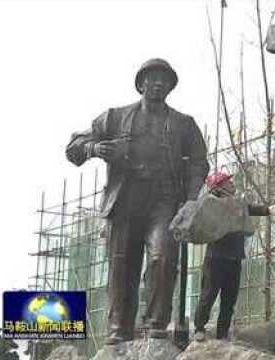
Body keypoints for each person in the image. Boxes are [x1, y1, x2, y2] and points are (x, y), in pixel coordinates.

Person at [65, 58, 209, 344]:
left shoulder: (184, 124)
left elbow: (198, 163)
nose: (157, 83)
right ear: (141, 83)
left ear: (170, 86)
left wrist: (191, 201)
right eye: (152, 78)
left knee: (163, 257)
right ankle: (119, 328)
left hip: (165, 201)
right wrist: (94, 147)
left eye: (163, 79)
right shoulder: (115, 117)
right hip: (126, 199)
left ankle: (157, 324)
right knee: (122, 265)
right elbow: (73, 147)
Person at [193, 172, 275, 341]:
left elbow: (251, 208)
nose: (232, 183)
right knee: (208, 294)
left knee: (229, 299)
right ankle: (199, 328)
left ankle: (222, 334)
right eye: (228, 182)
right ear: (219, 187)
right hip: (216, 258)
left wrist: (270, 210)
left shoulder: (237, 203)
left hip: (234, 258)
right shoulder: (210, 204)